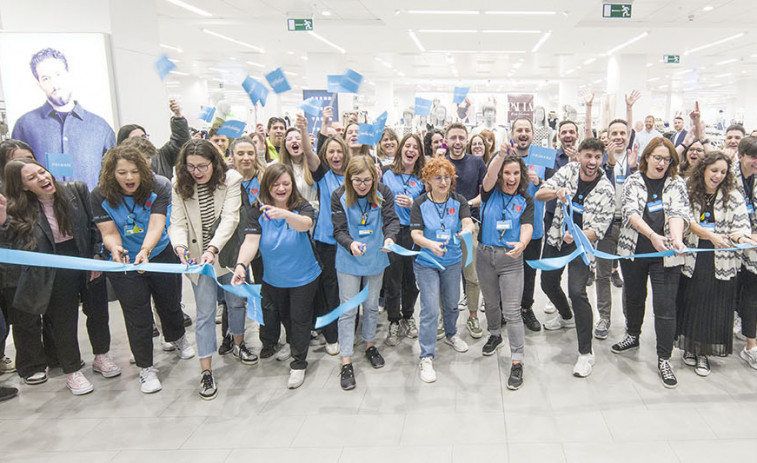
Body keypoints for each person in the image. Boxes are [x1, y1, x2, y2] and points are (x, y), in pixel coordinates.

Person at [91, 144, 195, 393]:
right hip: (124, 262)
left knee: (170, 303)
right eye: (122, 172)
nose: (129, 178)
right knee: (136, 314)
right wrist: (115, 248)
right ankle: (146, 368)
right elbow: (109, 232)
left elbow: (157, 224)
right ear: (111, 173)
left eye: (135, 171)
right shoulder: (99, 195)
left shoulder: (158, 187)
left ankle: (177, 337)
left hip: (159, 253)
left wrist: (146, 251)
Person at [0, 159, 108, 395]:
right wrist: (2, 221)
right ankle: (72, 371)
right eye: (32, 178)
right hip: (53, 267)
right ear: (24, 187)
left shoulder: (76, 190)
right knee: (63, 321)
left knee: (98, 311)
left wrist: (97, 256)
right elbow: (12, 242)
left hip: (84, 256)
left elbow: (94, 226)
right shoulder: (19, 209)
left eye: (42, 171)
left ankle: (102, 356)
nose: (41, 178)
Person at [232, 163, 321, 389]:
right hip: (274, 278)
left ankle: (299, 363)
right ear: (267, 186)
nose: (281, 188)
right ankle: (293, 347)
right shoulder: (256, 211)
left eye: (286, 184)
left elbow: (305, 225)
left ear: (292, 184)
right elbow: (251, 242)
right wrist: (241, 265)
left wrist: (284, 213)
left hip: (304, 276)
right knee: (285, 317)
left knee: (300, 319)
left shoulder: (302, 206)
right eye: (276, 184)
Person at [611, 137, 689, 389]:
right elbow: (631, 213)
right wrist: (653, 236)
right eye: (657, 157)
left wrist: (675, 238)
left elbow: (679, 213)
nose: (662, 163)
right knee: (634, 296)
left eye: (667, 159)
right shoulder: (634, 180)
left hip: (666, 256)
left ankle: (664, 357)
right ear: (646, 157)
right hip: (635, 251)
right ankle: (632, 335)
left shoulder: (676, 184)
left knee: (665, 307)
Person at [167, 139, 242, 400]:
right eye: (191, 167)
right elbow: (176, 222)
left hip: (226, 253)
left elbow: (231, 218)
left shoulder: (231, 179)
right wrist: (179, 247)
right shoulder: (179, 186)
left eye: (202, 166)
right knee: (205, 313)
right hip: (198, 260)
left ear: (215, 163)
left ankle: (238, 345)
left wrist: (213, 249)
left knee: (236, 303)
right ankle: (206, 370)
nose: (196, 172)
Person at [535, 138, 616, 377]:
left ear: (602, 159)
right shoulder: (568, 171)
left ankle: (585, 353)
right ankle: (566, 315)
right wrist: (556, 192)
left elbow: (600, 229)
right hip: (556, 238)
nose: (592, 161)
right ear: (578, 155)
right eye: (588, 155)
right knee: (547, 282)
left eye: (597, 157)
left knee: (577, 291)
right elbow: (540, 194)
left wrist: (579, 235)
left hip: (581, 245)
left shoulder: (606, 190)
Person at [676, 152, 752, 376]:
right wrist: (710, 236)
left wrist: (741, 239)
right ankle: (689, 347)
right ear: (703, 169)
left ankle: (703, 354)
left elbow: (740, 226)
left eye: (723, 172)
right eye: (714, 170)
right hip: (693, 258)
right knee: (691, 302)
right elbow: (685, 220)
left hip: (722, 261)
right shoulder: (689, 190)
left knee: (713, 307)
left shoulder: (734, 196)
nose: (718, 176)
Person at [332, 156, 398, 391]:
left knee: (371, 306)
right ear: (349, 179)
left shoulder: (383, 193)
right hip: (349, 259)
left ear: (375, 177)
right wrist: (350, 244)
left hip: (375, 258)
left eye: (367, 180)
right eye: (357, 180)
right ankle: (346, 359)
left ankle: (369, 344)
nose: (362, 185)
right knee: (348, 310)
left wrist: (390, 238)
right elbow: (338, 230)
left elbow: (391, 220)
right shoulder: (339, 195)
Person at [11, 48, 116, 190]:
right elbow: (15, 175)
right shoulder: (25, 125)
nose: (55, 84)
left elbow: (113, 175)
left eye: (58, 74)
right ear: (39, 84)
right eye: (46, 78)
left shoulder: (101, 127)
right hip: (41, 210)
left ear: (69, 74)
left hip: (90, 209)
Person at [411, 157, 474, 382]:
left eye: (447, 177)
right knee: (430, 309)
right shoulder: (419, 203)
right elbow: (415, 235)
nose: (443, 182)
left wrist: (466, 229)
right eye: (438, 177)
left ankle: (451, 334)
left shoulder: (459, 201)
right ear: (427, 180)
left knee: (451, 303)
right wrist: (430, 245)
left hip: (452, 261)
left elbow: (468, 222)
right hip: (427, 262)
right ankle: (426, 356)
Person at [477, 153, 534, 390]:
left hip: (511, 260)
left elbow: (527, 225)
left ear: (521, 176)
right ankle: (494, 334)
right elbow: (489, 177)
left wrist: (522, 244)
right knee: (490, 303)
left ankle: (517, 360)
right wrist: (499, 155)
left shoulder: (525, 200)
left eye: (516, 173)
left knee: (511, 311)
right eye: (506, 173)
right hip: (484, 256)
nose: (511, 178)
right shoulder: (489, 192)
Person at [214, 136, 264, 362]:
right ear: (231, 156)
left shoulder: (263, 179)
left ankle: (267, 336)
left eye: (250, 153)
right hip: (232, 246)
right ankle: (232, 339)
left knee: (264, 291)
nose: (246, 158)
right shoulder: (222, 181)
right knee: (232, 296)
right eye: (240, 153)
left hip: (261, 244)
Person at [307, 136, 351, 357]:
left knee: (351, 290)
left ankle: (349, 332)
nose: (335, 156)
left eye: (339, 151)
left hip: (352, 243)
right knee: (331, 290)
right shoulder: (323, 176)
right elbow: (309, 155)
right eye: (331, 152)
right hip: (327, 242)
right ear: (325, 155)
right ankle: (332, 335)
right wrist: (305, 130)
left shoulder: (354, 176)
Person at [381, 134, 425, 346]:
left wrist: (413, 204)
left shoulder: (423, 177)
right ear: (400, 149)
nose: (411, 150)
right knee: (392, 279)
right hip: (391, 231)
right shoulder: (387, 173)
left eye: (415, 147)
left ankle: (408, 316)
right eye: (407, 146)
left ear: (419, 153)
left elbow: (429, 205)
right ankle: (393, 320)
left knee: (411, 279)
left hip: (414, 232)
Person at [445, 123, 486, 339]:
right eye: (453, 137)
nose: (458, 142)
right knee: (445, 274)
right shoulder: (440, 163)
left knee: (472, 275)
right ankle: (445, 319)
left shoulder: (477, 162)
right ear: (447, 139)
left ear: (467, 139)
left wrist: (465, 204)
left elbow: (485, 193)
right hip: (442, 229)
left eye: (461, 137)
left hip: (470, 226)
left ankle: (472, 316)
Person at [116, 99, 190, 180]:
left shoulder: (160, 156)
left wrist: (178, 116)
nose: (141, 141)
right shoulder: (115, 163)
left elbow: (180, 143)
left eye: (144, 137)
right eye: (136, 138)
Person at [733, 137, 757, 368]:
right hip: (731, 245)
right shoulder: (728, 177)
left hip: (752, 249)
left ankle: (751, 344)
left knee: (750, 293)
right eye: (753, 157)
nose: (756, 161)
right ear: (740, 156)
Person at [278, 116, 318, 209]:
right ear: (284, 145)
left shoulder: (313, 165)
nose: (294, 140)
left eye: (298, 138)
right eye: (289, 139)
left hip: (314, 216)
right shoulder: (277, 165)